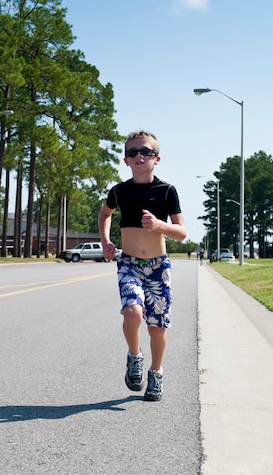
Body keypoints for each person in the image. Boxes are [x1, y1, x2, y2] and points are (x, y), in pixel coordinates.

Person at [98, 130, 187, 401]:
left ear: (156, 158)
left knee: (157, 327)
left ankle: (156, 372)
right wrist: (105, 241)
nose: (139, 156)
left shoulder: (167, 191)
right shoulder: (119, 191)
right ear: (126, 160)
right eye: (133, 152)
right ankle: (134, 356)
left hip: (159, 267)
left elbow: (182, 233)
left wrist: (160, 225)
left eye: (145, 152)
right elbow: (105, 214)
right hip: (129, 264)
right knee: (133, 313)